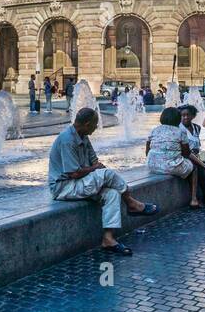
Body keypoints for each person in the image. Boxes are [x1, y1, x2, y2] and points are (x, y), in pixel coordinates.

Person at [50, 107, 158, 255]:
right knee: (106, 174)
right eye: (95, 124)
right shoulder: (67, 140)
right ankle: (131, 203)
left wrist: (100, 173)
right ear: (87, 124)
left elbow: (95, 162)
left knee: (112, 193)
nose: (96, 127)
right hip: (65, 187)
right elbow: (73, 173)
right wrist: (97, 170)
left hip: (81, 182)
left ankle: (108, 239)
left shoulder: (83, 136)